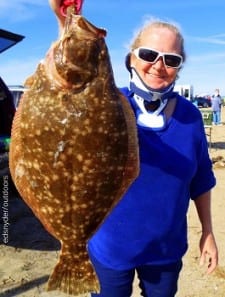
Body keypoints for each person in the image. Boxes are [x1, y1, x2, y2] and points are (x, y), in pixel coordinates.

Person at [49, 1, 218, 296]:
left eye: (171, 59)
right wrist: (65, 23)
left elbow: (201, 179)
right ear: (131, 59)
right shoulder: (106, 104)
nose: (158, 65)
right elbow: (70, 82)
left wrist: (208, 232)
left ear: (179, 67)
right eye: (149, 54)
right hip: (109, 249)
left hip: (165, 251)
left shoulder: (190, 116)